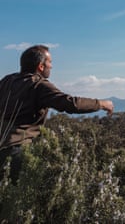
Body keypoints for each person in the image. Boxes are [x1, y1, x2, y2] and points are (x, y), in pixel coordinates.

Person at [0, 44, 114, 178]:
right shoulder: (39, 85)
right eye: (50, 62)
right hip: (16, 151)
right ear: (41, 66)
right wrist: (101, 103)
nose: (52, 66)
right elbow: (70, 104)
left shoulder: (7, 80)